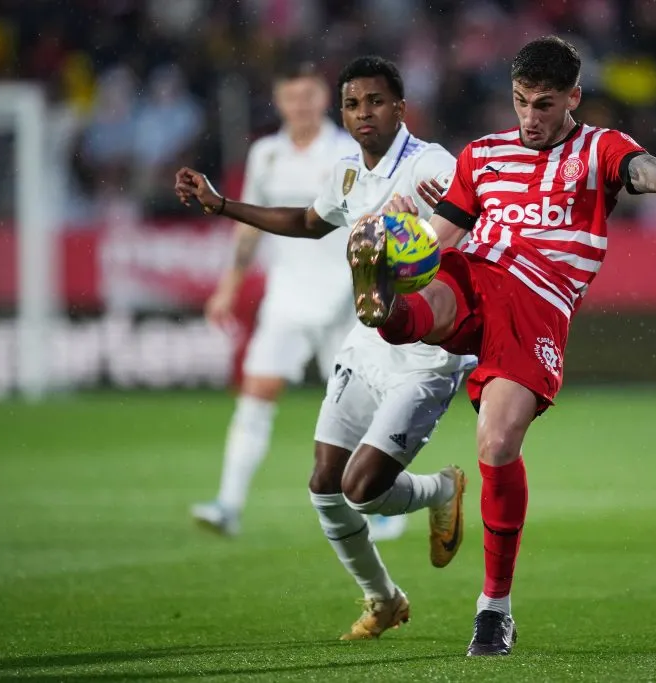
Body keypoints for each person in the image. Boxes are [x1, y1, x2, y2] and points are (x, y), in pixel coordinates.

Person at [347, 36, 656, 656]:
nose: (530, 117)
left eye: (544, 104)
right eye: (521, 101)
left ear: (573, 98)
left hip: (538, 300)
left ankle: (494, 609)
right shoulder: (483, 155)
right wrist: (404, 238)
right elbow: (440, 237)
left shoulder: (601, 149)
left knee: (497, 443)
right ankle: (385, 303)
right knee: (431, 297)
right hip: (478, 269)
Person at [175, 55, 474, 640]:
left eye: (376, 101)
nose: (365, 113)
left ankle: (442, 488)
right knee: (324, 485)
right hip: (367, 340)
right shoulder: (346, 173)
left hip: (426, 350)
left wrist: (430, 227)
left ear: (400, 108)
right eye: (353, 104)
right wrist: (223, 204)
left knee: (362, 489)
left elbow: (473, 223)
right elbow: (310, 222)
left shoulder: (432, 164)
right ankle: (383, 599)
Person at [189, 62, 369, 538]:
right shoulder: (266, 154)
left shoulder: (349, 153)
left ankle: (378, 506)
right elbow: (249, 225)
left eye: (308, 96)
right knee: (256, 395)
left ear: (324, 98)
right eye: (291, 97)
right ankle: (228, 505)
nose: (300, 106)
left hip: (345, 299)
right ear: (280, 100)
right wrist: (229, 287)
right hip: (287, 297)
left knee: (357, 409)